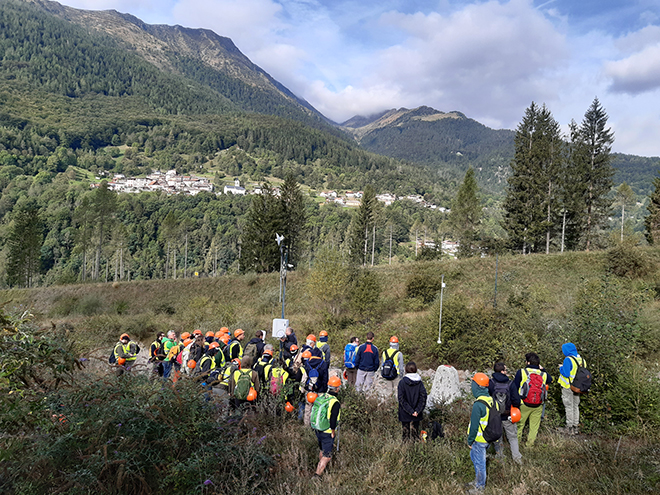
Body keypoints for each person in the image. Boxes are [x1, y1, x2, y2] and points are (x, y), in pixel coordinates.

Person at [514, 352, 552, 447]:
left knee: (519, 426)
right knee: (534, 427)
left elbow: (514, 386)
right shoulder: (543, 374)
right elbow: (550, 380)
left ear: (528, 362)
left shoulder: (522, 372)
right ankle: (529, 446)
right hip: (538, 404)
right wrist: (543, 369)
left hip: (523, 403)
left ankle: (516, 446)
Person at [467, 372, 496, 494]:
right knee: (475, 458)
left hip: (479, 439)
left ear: (477, 387)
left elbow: (474, 426)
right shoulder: (491, 400)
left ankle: (479, 488)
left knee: (480, 464)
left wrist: (470, 439)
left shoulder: (478, 405)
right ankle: (477, 481)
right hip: (488, 437)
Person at [489, 362, 522, 464]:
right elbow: (516, 400)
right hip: (508, 415)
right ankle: (517, 459)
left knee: (498, 438)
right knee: (512, 437)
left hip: (495, 416)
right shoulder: (511, 383)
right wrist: (514, 408)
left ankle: (500, 457)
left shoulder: (491, 383)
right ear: (502, 371)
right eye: (506, 370)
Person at [311, 375, 342, 477]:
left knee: (322, 450)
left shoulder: (322, 397)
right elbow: (333, 420)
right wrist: (333, 432)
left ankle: (322, 467)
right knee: (327, 456)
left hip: (318, 429)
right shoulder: (335, 402)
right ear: (337, 388)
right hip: (327, 431)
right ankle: (317, 475)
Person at [558, 342, 585, 435]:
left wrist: (561, 367)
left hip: (568, 386)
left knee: (569, 406)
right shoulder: (581, 359)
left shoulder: (568, 359)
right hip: (578, 387)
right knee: (575, 406)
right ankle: (575, 427)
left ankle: (569, 428)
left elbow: (566, 373)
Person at [397, 362, 427, 441]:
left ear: (406, 370)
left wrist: (410, 411)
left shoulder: (402, 382)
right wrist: (417, 410)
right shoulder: (420, 383)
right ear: (416, 370)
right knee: (415, 435)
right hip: (417, 414)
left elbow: (401, 399)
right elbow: (423, 397)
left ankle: (405, 450)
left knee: (405, 435)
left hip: (404, 412)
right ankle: (416, 450)